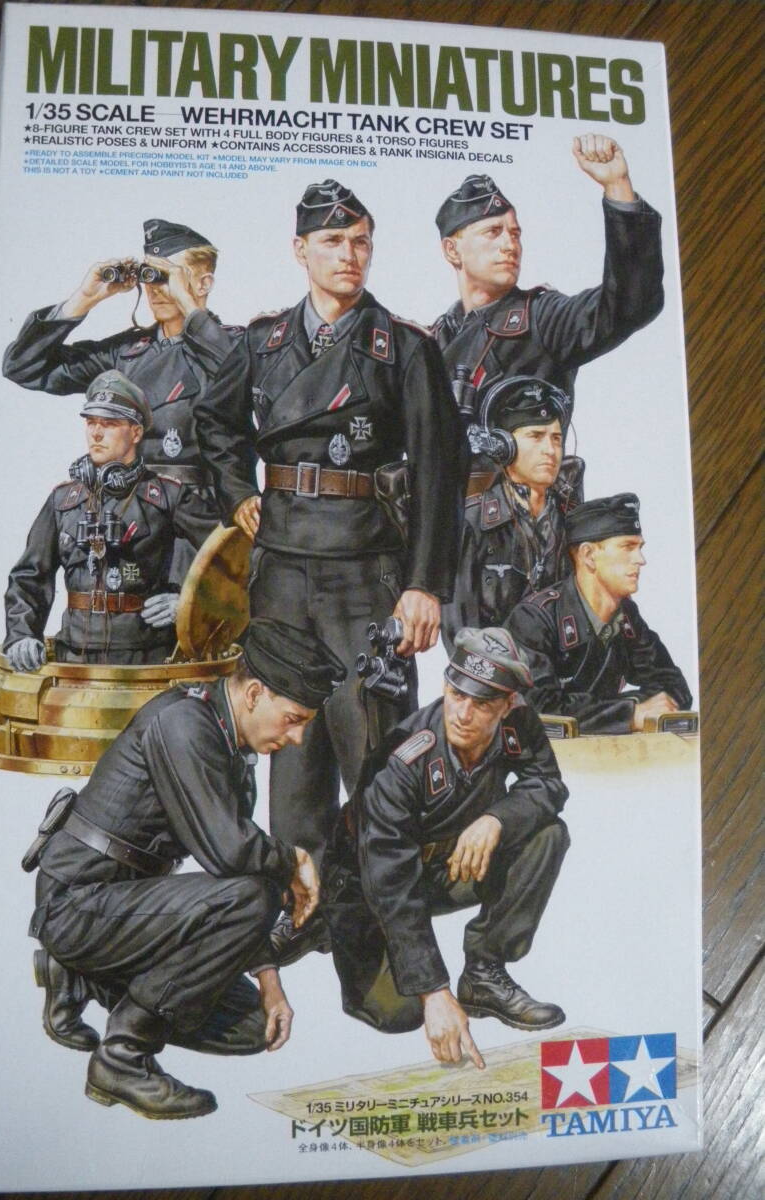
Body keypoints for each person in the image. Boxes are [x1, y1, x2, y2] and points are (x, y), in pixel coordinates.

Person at [196, 179, 460, 866]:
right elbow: (214, 422)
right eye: (334, 241)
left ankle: (383, 905)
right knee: (292, 748)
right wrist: (236, 491)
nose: (350, 255)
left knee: (373, 743)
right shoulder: (262, 342)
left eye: (361, 242)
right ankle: (299, 898)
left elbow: (439, 471)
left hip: (365, 571)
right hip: (280, 569)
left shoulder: (404, 348)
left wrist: (424, 585)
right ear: (300, 250)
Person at [25, 617, 346, 1119]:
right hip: (79, 905)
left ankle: (81, 975)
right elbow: (232, 855)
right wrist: (294, 860)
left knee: (249, 1030)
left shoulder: (229, 745)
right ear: (255, 694)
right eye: (293, 719)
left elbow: (233, 874)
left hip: (125, 913)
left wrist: (270, 983)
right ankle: (121, 1057)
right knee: (255, 897)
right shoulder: (184, 724)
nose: (299, 738)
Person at [321, 627, 569, 1066]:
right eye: (456, 695)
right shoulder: (402, 759)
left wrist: (497, 819)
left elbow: (548, 784)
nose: (463, 714)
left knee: (547, 834)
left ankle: (484, 974)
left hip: (442, 868)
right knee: (399, 1013)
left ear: (507, 704)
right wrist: (434, 991)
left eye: (482, 703)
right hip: (367, 888)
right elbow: (389, 882)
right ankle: (320, 930)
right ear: (445, 685)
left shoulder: (518, 721)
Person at [2, 219, 240, 581]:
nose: (156, 289)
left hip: (197, 529)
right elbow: (24, 368)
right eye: (150, 276)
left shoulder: (235, 346)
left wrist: (191, 306)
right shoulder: (126, 354)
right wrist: (85, 298)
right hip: (128, 523)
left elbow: (241, 379)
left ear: (203, 283)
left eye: (168, 277)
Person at [431, 135, 664, 430]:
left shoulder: (542, 318)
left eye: (515, 234)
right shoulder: (432, 339)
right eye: (493, 232)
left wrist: (617, 186)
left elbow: (630, 304)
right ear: (452, 251)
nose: (510, 245)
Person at [3, 370, 211, 669]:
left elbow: (234, 557)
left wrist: (192, 605)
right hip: (73, 657)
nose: (96, 434)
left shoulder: (168, 496)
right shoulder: (63, 500)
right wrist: (21, 635)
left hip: (148, 660)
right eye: (91, 423)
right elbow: (29, 576)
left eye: (110, 424)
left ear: (136, 433)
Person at [505, 494, 693, 733]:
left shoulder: (626, 615)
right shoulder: (533, 619)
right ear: (588, 555)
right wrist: (630, 713)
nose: (641, 560)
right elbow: (539, 708)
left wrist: (626, 708)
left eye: (640, 548)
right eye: (628, 547)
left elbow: (675, 688)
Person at [442, 375, 582, 650]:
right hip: (495, 670)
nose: (550, 450)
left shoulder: (574, 520)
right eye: (536, 436)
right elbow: (459, 633)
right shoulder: (470, 523)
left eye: (556, 438)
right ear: (503, 446)